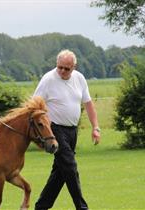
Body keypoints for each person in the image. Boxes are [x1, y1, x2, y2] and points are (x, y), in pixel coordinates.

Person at [33, 49, 101, 210]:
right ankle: (82, 207)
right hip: (54, 130)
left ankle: (41, 207)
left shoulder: (80, 79)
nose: (62, 71)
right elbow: (34, 105)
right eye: (60, 67)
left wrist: (96, 127)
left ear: (74, 67)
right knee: (70, 167)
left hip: (72, 131)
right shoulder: (48, 79)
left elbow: (88, 104)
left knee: (60, 172)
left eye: (67, 68)